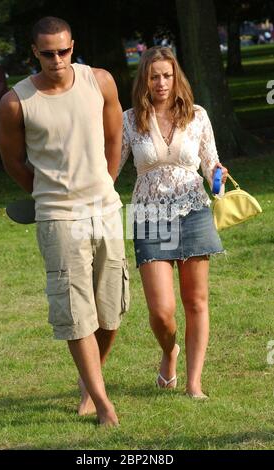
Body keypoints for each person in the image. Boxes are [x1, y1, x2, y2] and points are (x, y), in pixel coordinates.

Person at [0, 16, 129, 426]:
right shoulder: (16, 102)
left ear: (73, 46)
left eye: (64, 51)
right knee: (75, 313)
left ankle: (89, 382)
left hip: (106, 211)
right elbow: (13, 161)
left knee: (111, 313)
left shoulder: (100, 81)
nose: (58, 59)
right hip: (57, 218)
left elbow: (114, 139)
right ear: (34, 53)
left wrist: (104, 182)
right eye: (48, 53)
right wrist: (47, 192)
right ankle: (103, 404)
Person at [119, 46, 228, 399]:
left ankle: (194, 383)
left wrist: (217, 178)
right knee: (161, 310)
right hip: (149, 215)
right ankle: (169, 351)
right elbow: (110, 168)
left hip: (194, 209)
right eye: (154, 76)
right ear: (144, 81)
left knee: (196, 301)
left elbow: (211, 163)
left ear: (175, 77)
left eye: (167, 75)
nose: (161, 82)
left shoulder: (197, 115)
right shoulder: (129, 119)